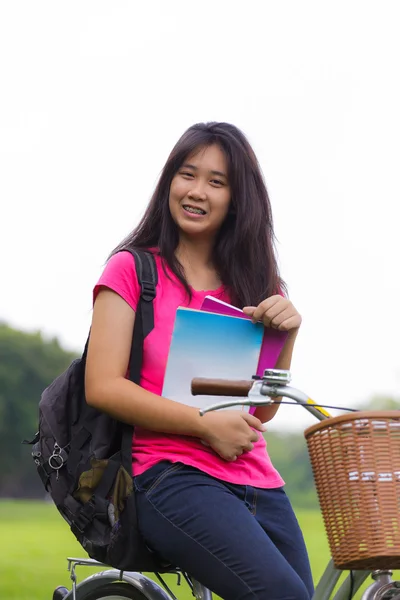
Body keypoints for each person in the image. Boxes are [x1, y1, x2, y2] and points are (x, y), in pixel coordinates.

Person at [85, 122, 314, 600]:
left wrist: (285, 337)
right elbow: (102, 385)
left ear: (237, 198)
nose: (196, 191)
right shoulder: (131, 269)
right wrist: (203, 425)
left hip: (257, 479)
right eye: (187, 175)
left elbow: (259, 411)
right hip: (169, 473)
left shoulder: (256, 284)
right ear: (169, 180)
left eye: (216, 181)